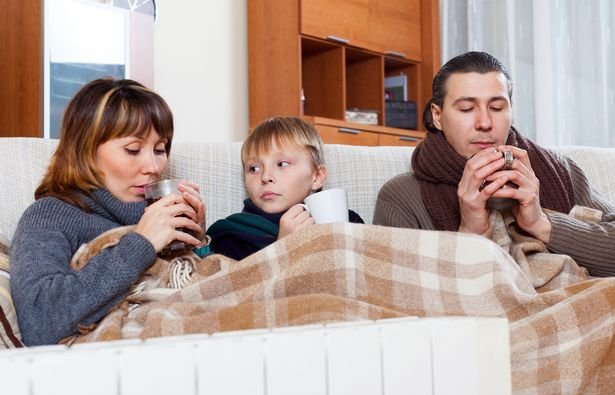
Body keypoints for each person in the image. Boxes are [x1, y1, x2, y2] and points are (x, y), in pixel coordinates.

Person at [373, 51, 615, 277]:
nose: (485, 123)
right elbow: (396, 292)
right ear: (438, 116)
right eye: (467, 108)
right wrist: (469, 232)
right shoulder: (400, 197)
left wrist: (541, 223)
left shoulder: (561, 171)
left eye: (497, 108)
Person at [10, 78, 208, 346]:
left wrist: (198, 243)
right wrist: (143, 243)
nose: (153, 166)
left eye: (160, 149)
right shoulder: (49, 215)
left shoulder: (164, 215)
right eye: (133, 149)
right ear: (86, 150)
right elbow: (40, 320)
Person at [207, 116, 364, 260]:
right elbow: (235, 287)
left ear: (316, 176)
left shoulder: (349, 221)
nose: (265, 176)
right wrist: (282, 249)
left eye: (282, 164)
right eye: (254, 168)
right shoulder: (232, 235)